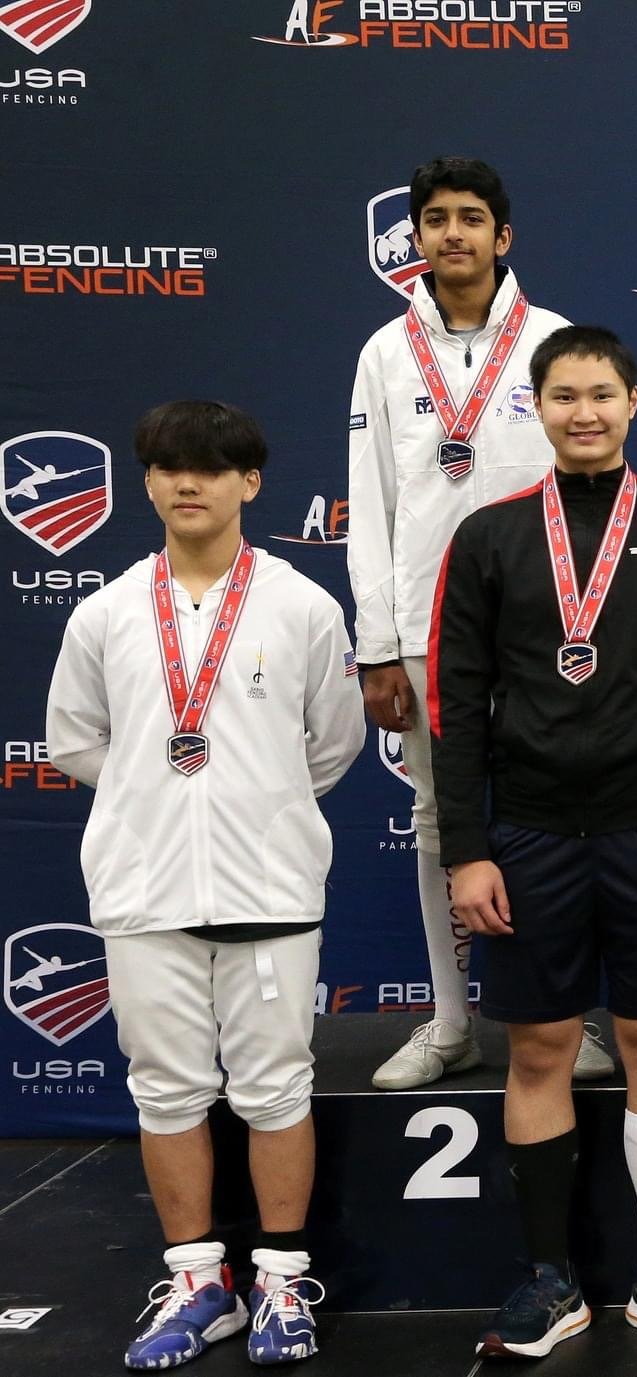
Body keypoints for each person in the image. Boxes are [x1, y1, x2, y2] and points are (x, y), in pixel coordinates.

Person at [430, 326, 637, 1359]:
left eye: (600, 394)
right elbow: (455, 708)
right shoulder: (487, 538)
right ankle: (549, 1281)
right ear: (537, 406)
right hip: (523, 838)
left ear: (632, 401)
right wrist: (466, 852)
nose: (582, 412)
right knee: (540, 1051)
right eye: (562, 395)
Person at [47, 401, 364, 1369]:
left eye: (211, 467)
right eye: (168, 467)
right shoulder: (104, 611)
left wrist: (248, 800)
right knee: (167, 1091)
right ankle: (195, 1283)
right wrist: (161, 792)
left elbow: (336, 742)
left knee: (274, 1090)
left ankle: (280, 1283)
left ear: (249, 483)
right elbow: (74, 741)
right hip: (144, 887)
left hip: (268, 884)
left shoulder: (302, 605)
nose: (189, 483)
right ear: (145, 482)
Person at [345, 155, 611, 1090]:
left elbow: (588, 489)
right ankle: (451, 1018)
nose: (451, 234)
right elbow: (369, 505)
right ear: (413, 238)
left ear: (504, 236)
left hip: (547, 628)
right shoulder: (384, 353)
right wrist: (379, 645)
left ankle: (565, 1017)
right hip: (426, 628)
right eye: (434, 219)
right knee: (435, 820)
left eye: (470, 218)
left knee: (552, 816)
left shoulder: (551, 342)